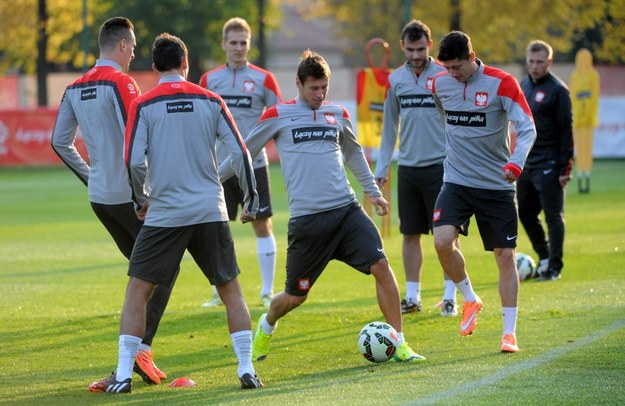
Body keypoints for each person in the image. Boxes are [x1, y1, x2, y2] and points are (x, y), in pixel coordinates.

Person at [219, 49, 426, 364]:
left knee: (382, 268)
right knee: (294, 297)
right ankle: (267, 324)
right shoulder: (277, 115)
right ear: (299, 84)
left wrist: (373, 193)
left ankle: (399, 343)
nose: (319, 94)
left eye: (324, 88)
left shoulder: (338, 114)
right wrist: (215, 182)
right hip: (308, 224)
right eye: (313, 88)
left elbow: (354, 154)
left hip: (346, 212)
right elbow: (242, 155)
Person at [87, 33, 263, 393]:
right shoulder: (211, 100)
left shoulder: (145, 104)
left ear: (153, 69)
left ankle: (122, 376)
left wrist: (141, 199)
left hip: (165, 213)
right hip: (210, 211)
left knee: (137, 290)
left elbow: (133, 160)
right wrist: (252, 200)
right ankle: (246, 368)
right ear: (186, 64)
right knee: (230, 289)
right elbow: (243, 153)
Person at [51, 17, 172, 385]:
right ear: (121, 45)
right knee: (160, 270)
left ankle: (134, 354)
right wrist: (143, 195)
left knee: (144, 270)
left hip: (100, 197)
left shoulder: (74, 87)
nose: (134, 52)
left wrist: (91, 176)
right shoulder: (122, 82)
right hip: (128, 196)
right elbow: (136, 136)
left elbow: (59, 141)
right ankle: (137, 352)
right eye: (132, 47)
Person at [431, 31, 536, 353]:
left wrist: (516, 163)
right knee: (441, 241)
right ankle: (470, 298)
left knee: (504, 256)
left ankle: (509, 333)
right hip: (457, 181)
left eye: (458, 66)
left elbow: (528, 125)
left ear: (471, 55)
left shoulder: (502, 83)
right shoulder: (439, 83)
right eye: (447, 68)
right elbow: (443, 116)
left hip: (497, 185)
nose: (453, 73)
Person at [374, 19, 457, 317]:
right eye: (410, 49)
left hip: (441, 167)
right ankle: (412, 297)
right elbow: (389, 128)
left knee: (445, 236)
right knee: (410, 234)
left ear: (430, 45)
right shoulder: (395, 81)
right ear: (402, 47)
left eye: (421, 49)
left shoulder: (445, 76)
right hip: (408, 168)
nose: (416, 55)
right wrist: (382, 168)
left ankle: (450, 297)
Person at [199, 17, 283, 308]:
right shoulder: (209, 80)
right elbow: (201, 122)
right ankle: (217, 292)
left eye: (243, 43)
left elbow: (279, 119)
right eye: (233, 43)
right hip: (217, 167)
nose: (238, 48)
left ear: (250, 45)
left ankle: (267, 291)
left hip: (253, 164)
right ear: (224, 44)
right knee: (215, 227)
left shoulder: (264, 79)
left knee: (262, 225)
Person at [519, 40, 574, 281]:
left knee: (554, 217)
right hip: (527, 163)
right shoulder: (523, 86)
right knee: (525, 214)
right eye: (531, 61)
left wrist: (565, 167)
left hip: (551, 163)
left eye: (540, 62)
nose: (535, 66)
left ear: (549, 62)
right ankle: (543, 257)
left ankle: (554, 267)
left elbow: (566, 131)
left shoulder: (558, 91)